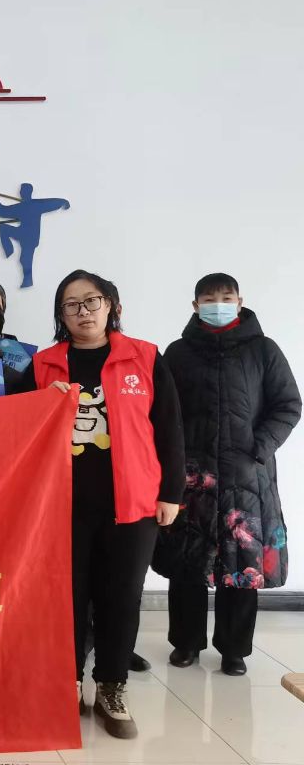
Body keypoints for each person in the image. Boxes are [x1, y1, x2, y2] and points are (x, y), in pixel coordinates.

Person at [30, 269, 184, 739]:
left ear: (111, 305)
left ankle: (112, 687)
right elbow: (14, 427)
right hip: (62, 507)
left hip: (133, 505)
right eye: (71, 305)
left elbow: (169, 428)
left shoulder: (144, 357)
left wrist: (171, 493)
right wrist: (40, 404)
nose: (83, 312)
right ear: (61, 315)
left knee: (121, 598)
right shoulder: (42, 365)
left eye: (91, 301)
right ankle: (69, 683)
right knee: (68, 599)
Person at [153, 273, 301, 676]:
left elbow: (288, 405)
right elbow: (163, 410)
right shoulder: (179, 353)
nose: (218, 304)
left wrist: (259, 446)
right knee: (188, 562)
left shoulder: (264, 350)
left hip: (246, 476)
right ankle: (185, 643)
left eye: (226, 297)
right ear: (195, 306)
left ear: (240, 301)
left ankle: (234, 650)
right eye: (209, 299)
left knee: (242, 564)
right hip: (193, 478)